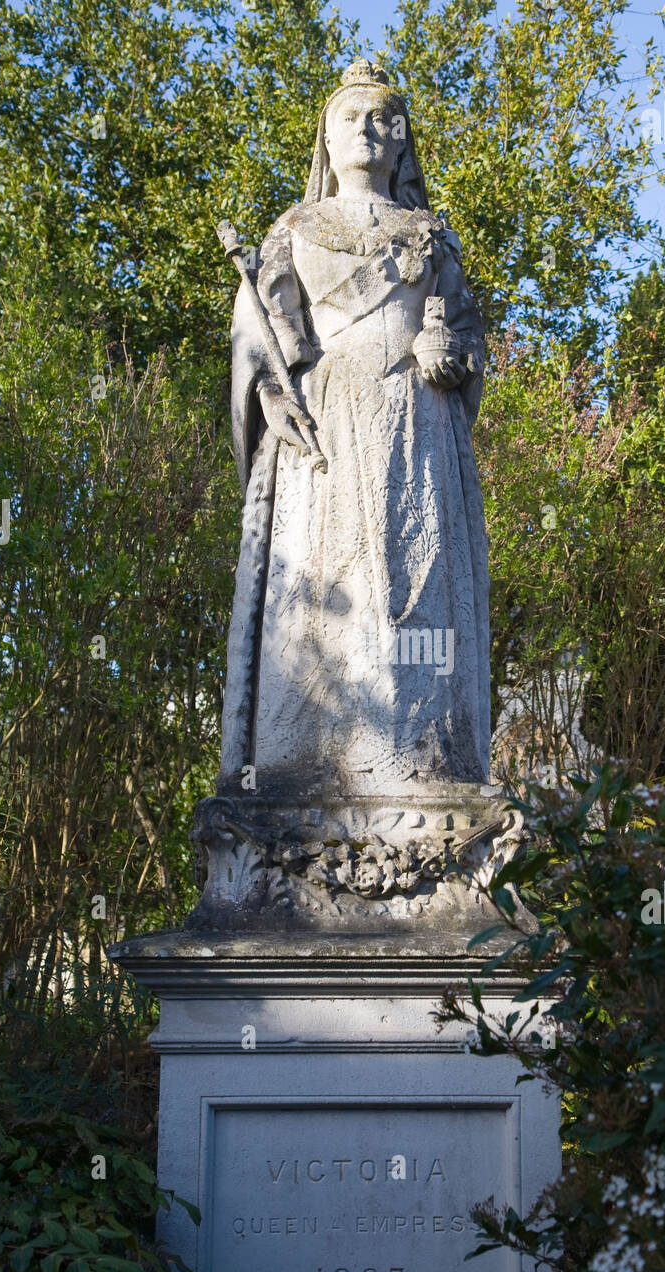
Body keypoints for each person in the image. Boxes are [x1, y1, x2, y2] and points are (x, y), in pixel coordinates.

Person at [221, 59, 490, 794]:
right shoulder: (293, 229)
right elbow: (260, 340)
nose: (367, 131)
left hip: (414, 423)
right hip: (327, 427)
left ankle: (418, 762)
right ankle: (304, 763)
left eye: (383, 120)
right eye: (351, 118)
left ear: (402, 143)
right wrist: (277, 398)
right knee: (321, 582)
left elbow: (467, 334)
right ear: (326, 140)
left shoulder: (429, 237)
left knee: (415, 579)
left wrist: (451, 355)